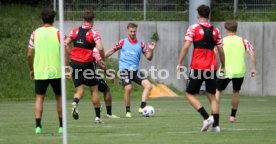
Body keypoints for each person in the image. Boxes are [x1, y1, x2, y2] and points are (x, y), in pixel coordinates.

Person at [177, 5, 225, 132]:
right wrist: (223, 66)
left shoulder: (193, 28)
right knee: (212, 96)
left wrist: (179, 63)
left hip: (198, 66)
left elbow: (186, 46)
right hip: (212, 67)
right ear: (209, 16)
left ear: (198, 15)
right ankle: (216, 126)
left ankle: (206, 117)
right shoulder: (216, 31)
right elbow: (221, 51)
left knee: (189, 93)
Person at [27, 9, 67, 134]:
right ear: (54, 19)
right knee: (59, 98)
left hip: (40, 70)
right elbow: (67, 52)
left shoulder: (35, 33)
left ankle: (38, 126)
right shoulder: (59, 33)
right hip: (56, 71)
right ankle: (61, 127)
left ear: (42, 19)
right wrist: (67, 69)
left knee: (39, 98)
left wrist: (31, 70)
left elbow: (29, 54)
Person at [105, 23, 156, 118]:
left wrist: (151, 50)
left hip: (135, 71)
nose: (133, 33)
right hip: (124, 70)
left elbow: (149, 57)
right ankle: (128, 111)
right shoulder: (122, 42)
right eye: (131, 31)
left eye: (134, 31)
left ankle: (142, 108)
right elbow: (112, 50)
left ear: (136, 31)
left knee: (148, 85)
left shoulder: (141, 44)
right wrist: (102, 57)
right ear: (128, 31)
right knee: (128, 88)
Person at [65, 10, 105, 123]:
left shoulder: (74, 31)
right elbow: (100, 48)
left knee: (79, 90)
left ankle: (75, 103)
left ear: (83, 20)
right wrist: (102, 60)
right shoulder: (93, 32)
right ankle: (97, 117)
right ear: (93, 20)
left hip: (74, 63)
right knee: (94, 90)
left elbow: (65, 43)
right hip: (87, 64)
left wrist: (70, 53)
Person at [215, 20, 256, 123]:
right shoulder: (243, 41)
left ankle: (214, 114)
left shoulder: (222, 41)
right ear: (236, 29)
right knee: (236, 91)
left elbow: (213, 53)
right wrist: (253, 68)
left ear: (225, 29)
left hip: (225, 71)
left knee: (217, 90)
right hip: (239, 71)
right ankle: (232, 116)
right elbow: (252, 53)